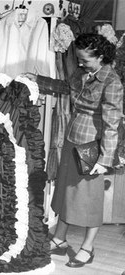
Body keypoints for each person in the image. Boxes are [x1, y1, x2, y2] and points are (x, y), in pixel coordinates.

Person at [23, 33, 123, 268]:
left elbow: (112, 124)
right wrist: (36, 79)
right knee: (66, 192)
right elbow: (66, 87)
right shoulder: (83, 72)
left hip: (92, 147)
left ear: (100, 57)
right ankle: (59, 240)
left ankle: (87, 248)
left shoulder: (112, 82)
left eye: (85, 60)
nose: (79, 63)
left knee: (89, 199)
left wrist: (104, 159)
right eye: (78, 59)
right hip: (72, 139)